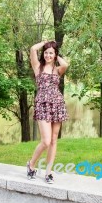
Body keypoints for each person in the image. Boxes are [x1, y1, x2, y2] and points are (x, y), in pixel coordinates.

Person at [26, 40, 69, 184]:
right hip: (43, 105)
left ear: (55, 55)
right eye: (46, 52)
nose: (48, 55)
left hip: (57, 104)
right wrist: (45, 43)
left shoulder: (58, 70)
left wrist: (56, 55)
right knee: (46, 141)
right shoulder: (37, 67)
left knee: (54, 140)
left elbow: (66, 65)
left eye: (51, 53)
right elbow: (32, 49)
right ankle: (31, 164)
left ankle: (48, 173)